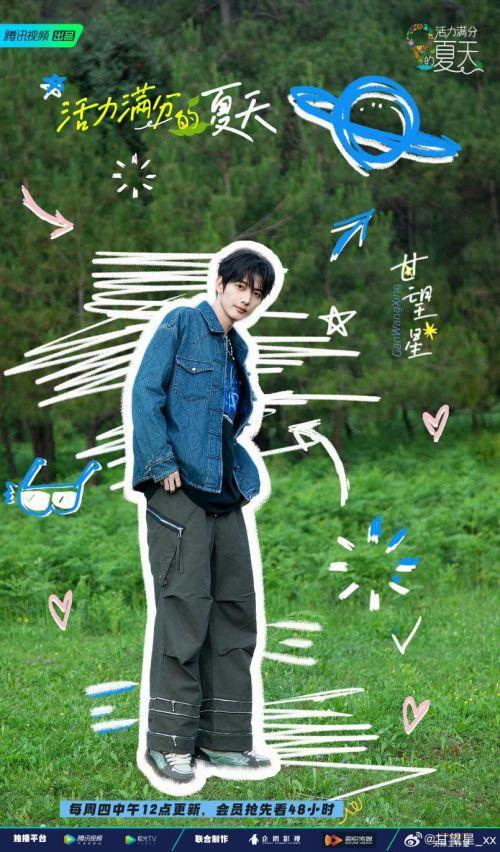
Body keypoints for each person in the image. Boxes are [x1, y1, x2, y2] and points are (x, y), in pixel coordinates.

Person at [130, 246, 278, 783]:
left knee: (235, 613)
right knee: (185, 612)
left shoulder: (238, 347)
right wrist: (160, 460)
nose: (247, 299)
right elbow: (146, 392)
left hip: (225, 493)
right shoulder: (182, 324)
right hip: (180, 491)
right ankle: (169, 746)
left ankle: (225, 742)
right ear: (219, 282)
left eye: (257, 293)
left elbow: (229, 420)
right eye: (240, 287)